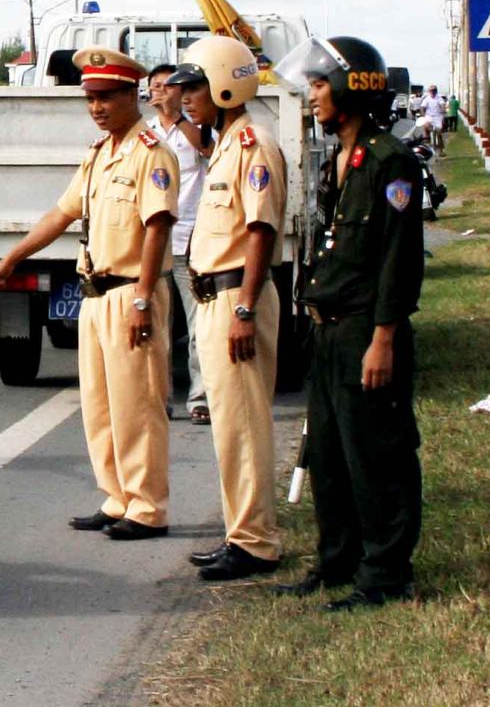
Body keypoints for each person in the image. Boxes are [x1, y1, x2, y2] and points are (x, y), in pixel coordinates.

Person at [0, 47, 179, 540]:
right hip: (95, 294)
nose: (97, 107)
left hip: (131, 292)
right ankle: (117, 497)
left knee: (138, 408)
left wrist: (144, 297)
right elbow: (60, 216)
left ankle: (147, 507)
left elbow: (158, 228)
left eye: (107, 97)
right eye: (90, 98)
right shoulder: (99, 154)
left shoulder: (152, 152)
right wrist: (11, 258)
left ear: (134, 95)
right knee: (101, 405)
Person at [273, 35, 424, 612]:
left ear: (350, 86)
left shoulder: (390, 161)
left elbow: (397, 260)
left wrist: (383, 338)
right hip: (329, 330)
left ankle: (385, 574)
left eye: (317, 85)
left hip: (366, 330)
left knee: (376, 456)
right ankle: (337, 561)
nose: (311, 96)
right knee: (330, 459)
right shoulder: (342, 159)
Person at [168, 35, 287, 581]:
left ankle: (255, 542)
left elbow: (260, 232)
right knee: (228, 429)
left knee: (243, 427)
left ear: (223, 85)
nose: (184, 98)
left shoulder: (253, 146)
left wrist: (243, 309)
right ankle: (241, 533)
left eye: (193, 88)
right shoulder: (224, 145)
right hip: (216, 297)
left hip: (238, 297)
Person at [148, 62, 215, 425]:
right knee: (158, 327)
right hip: (156, 242)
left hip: (191, 240)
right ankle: (159, 397)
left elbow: (206, 151)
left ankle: (199, 396)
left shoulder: (197, 128)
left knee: (197, 325)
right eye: (155, 86)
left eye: (167, 86)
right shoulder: (145, 133)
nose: (160, 91)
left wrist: (178, 119)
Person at [418, 86, 444, 154]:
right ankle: (427, 143)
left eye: (434, 90)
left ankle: (441, 150)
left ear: (436, 91)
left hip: (437, 117)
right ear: (429, 91)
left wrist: (443, 109)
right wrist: (423, 114)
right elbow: (422, 107)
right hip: (429, 116)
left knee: (439, 133)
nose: (432, 92)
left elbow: (442, 104)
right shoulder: (427, 99)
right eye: (431, 90)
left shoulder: (439, 98)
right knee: (426, 128)